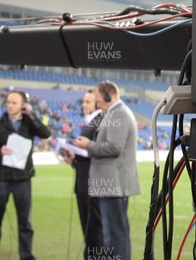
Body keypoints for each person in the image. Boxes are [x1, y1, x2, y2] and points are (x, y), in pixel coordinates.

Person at [0, 90, 51, 260]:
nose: (10, 105)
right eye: (8, 102)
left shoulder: (29, 123)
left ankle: (26, 256)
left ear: (23, 105)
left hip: (23, 180)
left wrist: (32, 114)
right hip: (1, 179)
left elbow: (46, 133)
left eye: (14, 102)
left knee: (25, 224)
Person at [75, 81, 140, 260]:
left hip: (113, 183)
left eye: (98, 99)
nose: (97, 103)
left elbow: (114, 147)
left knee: (115, 235)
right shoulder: (114, 113)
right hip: (110, 184)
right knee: (112, 235)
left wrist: (89, 145)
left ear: (107, 96)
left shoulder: (118, 114)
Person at [64, 90, 104, 259]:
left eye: (87, 102)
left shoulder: (101, 121)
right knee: (89, 231)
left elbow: (101, 152)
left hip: (92, 185)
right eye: (83, 101)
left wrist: (82, 149)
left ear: (97, 104)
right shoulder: (90, 122)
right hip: (83, 183)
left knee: (95, 230)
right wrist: (73, 160)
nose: (83, 104)